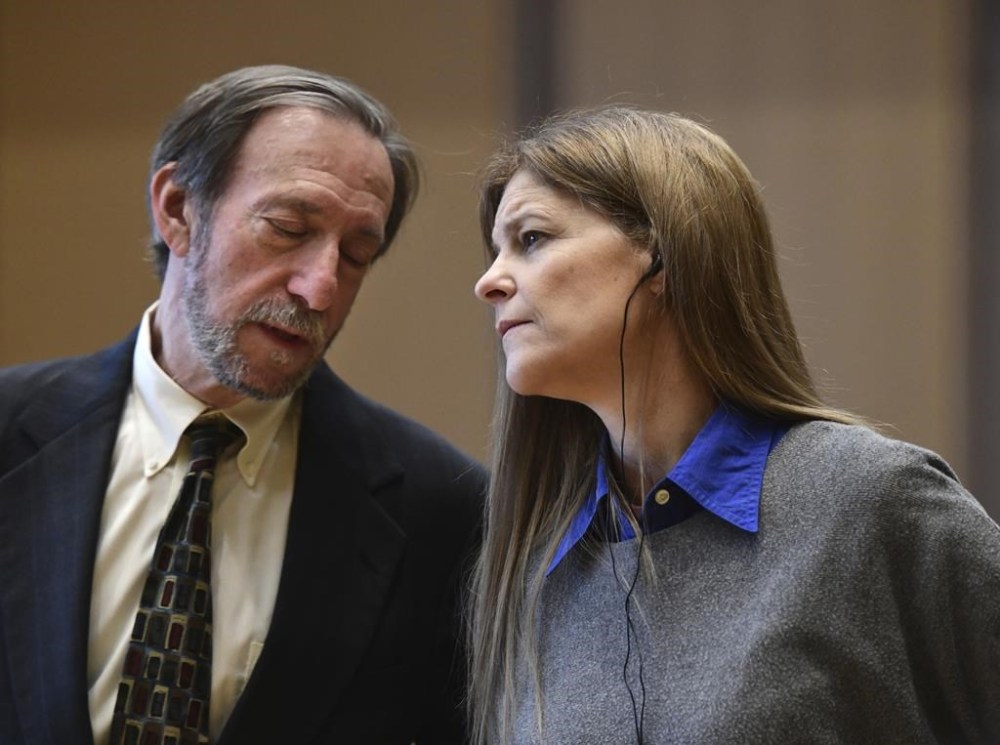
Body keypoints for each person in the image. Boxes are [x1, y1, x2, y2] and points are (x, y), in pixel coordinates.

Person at [467, 105, 1000, 744]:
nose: (488, 282)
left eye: (532, 239)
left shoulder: (871, 499)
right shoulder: (537, 562)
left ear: (660, 255)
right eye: (497, 249)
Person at [0, 65, 486, 745]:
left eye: (355, 254)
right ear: (177, 209)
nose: (320, 287)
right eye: (289, 227)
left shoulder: (441, 508)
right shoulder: (11, 430)